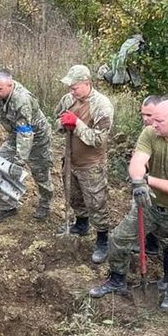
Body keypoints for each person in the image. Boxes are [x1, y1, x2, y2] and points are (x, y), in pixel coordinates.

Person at [89, 95, 168, 309]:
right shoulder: (151, 134)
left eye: (159, 121)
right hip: (150, 205)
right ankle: (117, 279)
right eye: (153, 120)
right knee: (119, 238)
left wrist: (147, 180)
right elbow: (138, 160)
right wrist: (137, 181)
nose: (153, 124)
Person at [0, 69, 54, 224]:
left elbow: (26, 133)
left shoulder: (21, 100)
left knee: (41, 174)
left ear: (10, 85)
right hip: (15, 136)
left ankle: (45, 204)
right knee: (1, 166)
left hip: (37, 138)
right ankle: (8, 207)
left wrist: (19, 163)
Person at [54, 65, 115, 264]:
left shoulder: (101, 105)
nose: (72, 91)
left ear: (87, 83)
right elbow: (56, 120)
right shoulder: (68, 100)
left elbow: (99, 140)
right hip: (71, 159)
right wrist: (63, 124)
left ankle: (102, 239)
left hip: (91, 163)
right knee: (74, 196)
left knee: (96, 202)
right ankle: (81, 224)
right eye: (70, 87)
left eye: (75, 87)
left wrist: (78, 125)